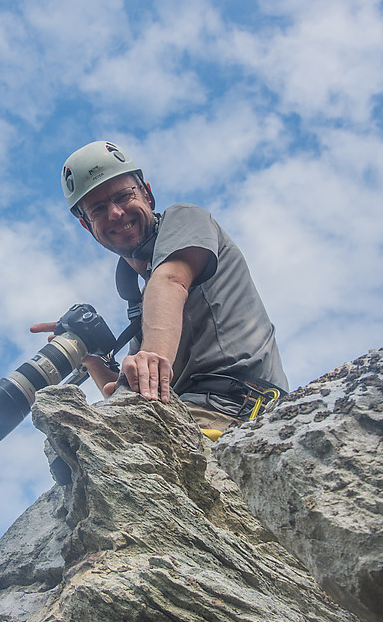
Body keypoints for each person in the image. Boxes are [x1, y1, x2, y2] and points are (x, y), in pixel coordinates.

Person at [32, 140, 288, 437]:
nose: (115, 213)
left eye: (123, 196)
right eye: (98, 209)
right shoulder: (144, 308)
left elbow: (171, 281)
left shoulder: (185, 219)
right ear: (87, 226)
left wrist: (150, 355)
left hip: (237, 406)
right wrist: (92, 359)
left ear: (147, 194)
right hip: (189, 414)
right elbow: (131, 395)